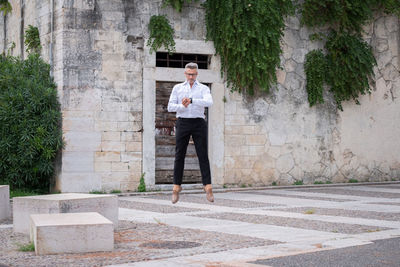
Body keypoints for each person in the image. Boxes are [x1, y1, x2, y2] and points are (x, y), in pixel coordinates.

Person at [167, 62, 214, 204]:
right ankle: (176, 187)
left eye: (193, 74)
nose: (191, 76)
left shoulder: (204, 88)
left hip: (199, 123)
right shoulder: (178, 88)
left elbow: (209, 102)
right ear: (185, 74)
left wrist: (192, 100)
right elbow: (170, 107)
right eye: (188, 74)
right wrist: (182, 105)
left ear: (197, 74)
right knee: (179, 154)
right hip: (183, 122)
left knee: (203, 154)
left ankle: (208, 187)